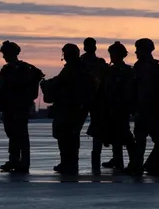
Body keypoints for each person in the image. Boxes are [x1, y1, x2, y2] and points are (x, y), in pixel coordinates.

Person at [0, 41, 43, 173]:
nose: (3, 56)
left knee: (19, 135)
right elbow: (1, 89)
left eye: (5, 53)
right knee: (14, 135)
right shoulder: (17, 68)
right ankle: (15, 160)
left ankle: (22, 162)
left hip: (17, 107)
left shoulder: (16, 69)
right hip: (13, 107)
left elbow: (7, 89)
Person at [41, 44, 93, 175]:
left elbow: (61, 82)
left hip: (71, 108)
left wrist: (46, 84)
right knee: (67, 136)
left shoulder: (75, 69)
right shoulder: (75, 68)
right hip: (71, 108)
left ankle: (68, 163)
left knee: (67, 136)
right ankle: (68, 162)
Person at [125, 38, 159, 175]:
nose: (136, 52)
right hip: (153, 110)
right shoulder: (155, 66)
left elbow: (144, 91)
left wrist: (138, 109)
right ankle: (156, 163)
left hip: (146, 110)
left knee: (141, 140)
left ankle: (137, 166)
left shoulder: (144, 67)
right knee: (156, 139)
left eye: (138, 49)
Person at [100, 41, 135, 171]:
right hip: (111, 107)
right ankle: (118, 159)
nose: (111, 56)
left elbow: (128, 90)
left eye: (113, 53)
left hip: (121, 108)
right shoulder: (110, 70)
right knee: (116, 135)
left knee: (124, 135)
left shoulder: (125, 71)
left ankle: (132, 161)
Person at [80, 37, 108, 173]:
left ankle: (93, 162)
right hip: (87, 101)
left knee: (97, 133)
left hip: (92, 101)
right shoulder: (82, 63)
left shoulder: (84, 63)